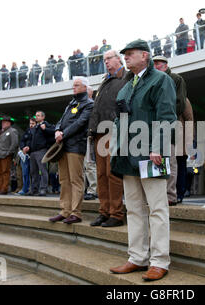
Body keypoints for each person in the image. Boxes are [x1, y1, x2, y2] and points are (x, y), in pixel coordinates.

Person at [109, 39, 176, 281]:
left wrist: (157, 146)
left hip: (151, 154)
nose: (125, 57)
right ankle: (137, 257)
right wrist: (116, 150)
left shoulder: (161, 79)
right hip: (128, 156)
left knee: (157, 208)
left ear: (145, 56)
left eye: (130, 53)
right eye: (124, 54)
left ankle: (159, 261)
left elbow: (167, 115)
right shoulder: (126, 88)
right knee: (134, 209)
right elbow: (119, 122)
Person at [87, 49, 128, 228]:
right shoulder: (105, 80)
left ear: (118, 59)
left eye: (109, 58)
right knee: (101, 174)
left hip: (114, 131)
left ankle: (116, 213)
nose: (106, 62)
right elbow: (96, 108)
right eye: (104, 60)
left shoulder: (126, 78)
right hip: (99, 132)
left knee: (113, 174)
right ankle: (104, 211)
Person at [49, 77, 93, 224]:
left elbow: (80, 123)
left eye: (77, 85)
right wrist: (56, 130)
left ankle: (76, 213)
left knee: (76, 180)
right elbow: (61, 121)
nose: (73, 87)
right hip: (64, 146)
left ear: (85, 88)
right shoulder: (71, 103)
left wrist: (63, 134)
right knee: (64, 180)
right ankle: (65, 211)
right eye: (73, 85)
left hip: (76, 146)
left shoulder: (89, 104)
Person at [153, 55, 187, 206]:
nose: (155, 66)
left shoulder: (176, 79)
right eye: (153, 64)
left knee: (170, 160)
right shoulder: (151, 80)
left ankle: (170, 195)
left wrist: (164, 114)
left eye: (158, 64)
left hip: (169, 125)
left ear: (165, 65)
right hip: (152, 127)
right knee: (157, 161)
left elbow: (180, 104)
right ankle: (159, 195)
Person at [27, 111, 55, 196]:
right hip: (32, 152)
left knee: (43, 171)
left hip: (41, 151)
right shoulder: (35, 127)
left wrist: (45, 129)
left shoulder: (45, 124)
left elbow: (54, 131)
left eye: (38, 116)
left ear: (43, 117)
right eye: (36, 115)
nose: (36, 117)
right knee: (33, 172)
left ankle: (43, 189)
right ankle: (34, 189)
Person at [0, 116, 19, 195]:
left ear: (9, 123)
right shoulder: (1, 131)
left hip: (5, 155)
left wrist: (8, 152)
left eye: (5, 122)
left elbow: (14, 143)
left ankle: (4, 189)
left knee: (5, 172)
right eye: (2, 122)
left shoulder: (12, 131)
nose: (3, 124)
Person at [16, 118, 36, 196]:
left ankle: (33, 189)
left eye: (33, 124)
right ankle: (25, 189)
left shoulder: (38, 132)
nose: (31, 125)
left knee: (34, 173)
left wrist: (29, 147)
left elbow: (37, 142)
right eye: (30, 123)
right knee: (24, 173)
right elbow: (22, 141)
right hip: (25, 155)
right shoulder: (27, 131)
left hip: (33, 154)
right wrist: (23, 147)